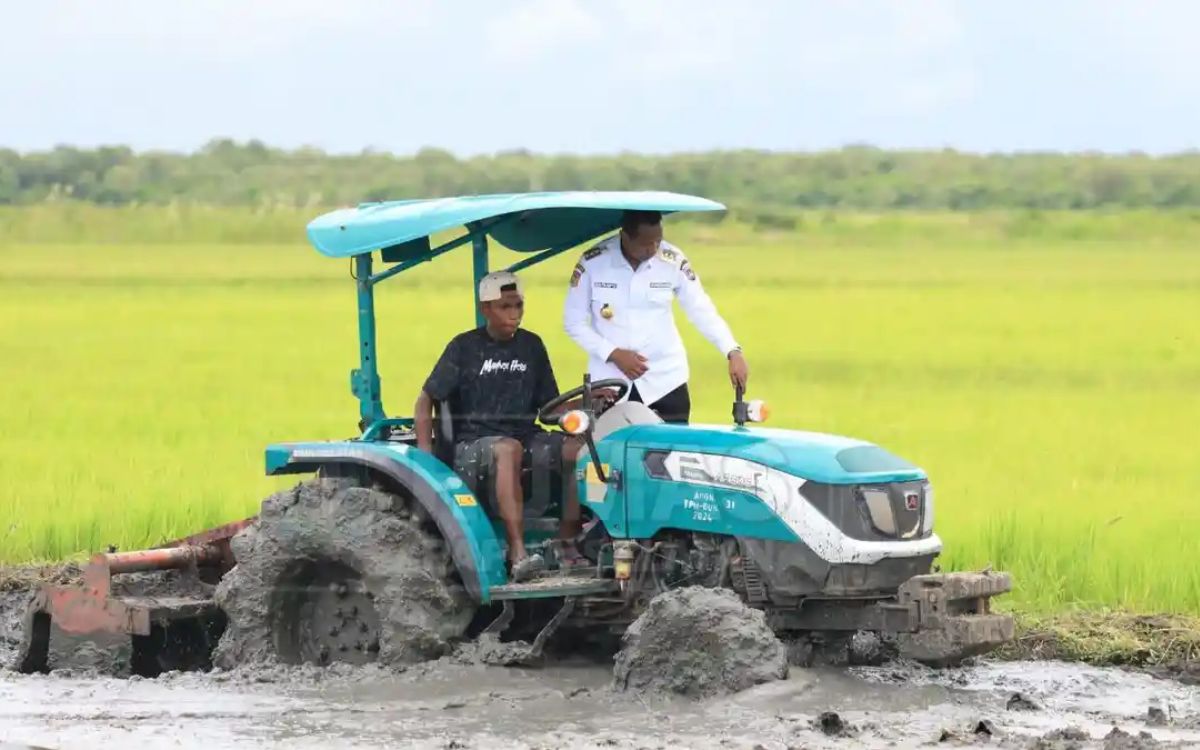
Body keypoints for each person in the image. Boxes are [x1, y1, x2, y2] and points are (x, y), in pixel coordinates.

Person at [414, 271, 594, 582]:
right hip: (474, 443)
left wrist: (587, 405)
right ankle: (518, 552)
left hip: (525, 436)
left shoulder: (532, 346)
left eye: (519, 306)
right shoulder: (464, 347)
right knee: (508, 449)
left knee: (577, 449)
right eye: (505, 307)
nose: (515, 314)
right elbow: (425, 399)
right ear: (486, 309)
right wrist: (425, 454)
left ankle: (566, 543)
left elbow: (550, 407)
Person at [563, 209, 748, 423]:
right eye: (645, 244)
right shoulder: (593, 262)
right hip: (610, 386)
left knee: (673, 453)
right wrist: (613, 354)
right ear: (624, 236)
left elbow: (701, 308)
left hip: (666, 381)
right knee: (609, 453)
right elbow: (573, 323)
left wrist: (732, 350)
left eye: (657, 241)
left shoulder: (673, 261)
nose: (652, 249)